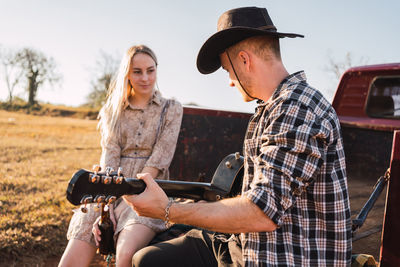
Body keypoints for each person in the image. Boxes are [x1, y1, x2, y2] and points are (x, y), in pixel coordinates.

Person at [124, 6, 352, 267]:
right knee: (149, 258)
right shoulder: (273, 108)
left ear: (244, 60)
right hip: (246, 243)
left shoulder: (298, 106)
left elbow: (260, 211)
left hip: (284, 255)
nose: (230, 81)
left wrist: (168, 210)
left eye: (227, 70)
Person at [58, 45, 183, 267]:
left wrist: (126, 199)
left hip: (147, 190)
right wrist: (106, 207)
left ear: (157, 70)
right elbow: (109, 159)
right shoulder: (112, 111)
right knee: (70, 259)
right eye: (137, 71)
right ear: (127, 73)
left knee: (126, 255)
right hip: (108, 189)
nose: (145, 77)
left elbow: (159, 160)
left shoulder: (171, 109)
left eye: (150, 70)